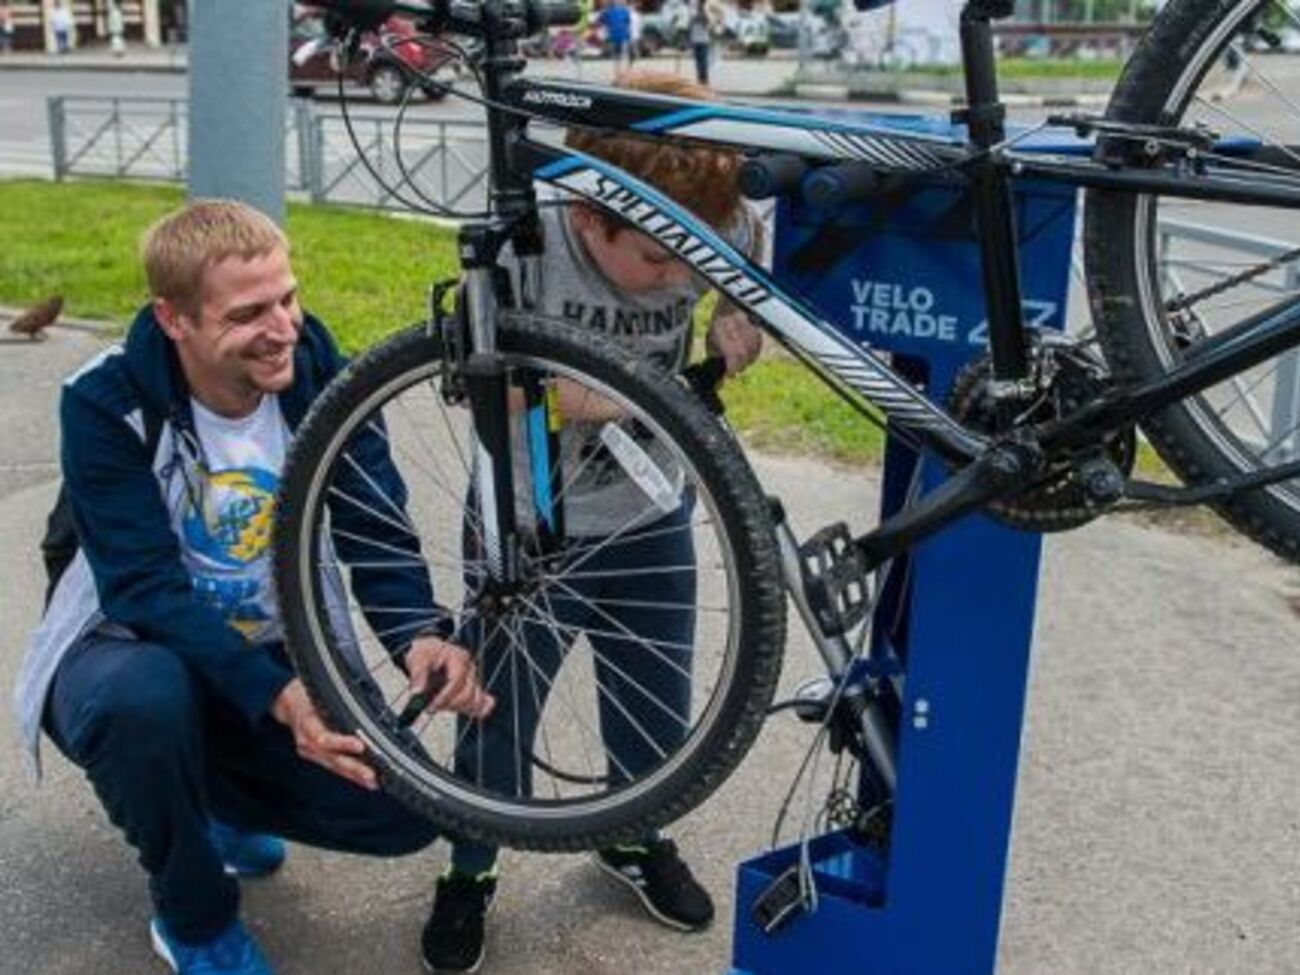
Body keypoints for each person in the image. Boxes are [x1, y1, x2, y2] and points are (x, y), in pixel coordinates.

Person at [13, 200, 497, 975]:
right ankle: (193, 915)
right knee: (146, 704)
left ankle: (208, 793)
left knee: (405, 809)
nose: (282, 327)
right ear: (175, 320)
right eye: (248, 313)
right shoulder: (105, 400)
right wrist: (281, 700)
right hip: (121, 648)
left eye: (287, 297)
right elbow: (143, 587)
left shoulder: (316, 371)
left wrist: (418, 631)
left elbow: (374, 517)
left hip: (275, 643)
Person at [422, 70, 765, 974]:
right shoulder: (525, 238)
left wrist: (735, 312)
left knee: (656, 713)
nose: (676, 276)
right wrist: (598, 396)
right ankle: (471, 866)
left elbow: (749, 253)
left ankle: (632, 836)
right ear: (589, 217)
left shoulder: (709, 221)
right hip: (530, 522)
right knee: (497, 709)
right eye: (655, 261)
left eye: (692, 255)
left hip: (650, 511)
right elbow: (481, 380)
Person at [598, 0, 632, 67]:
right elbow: (627, 21)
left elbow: (601, 21)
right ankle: (624, 61)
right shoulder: (624, 10)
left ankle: (617, 61)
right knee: (621, 49)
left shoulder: (607, 12)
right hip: (623, 34)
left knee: (616, 49)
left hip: (613, 34)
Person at [688, 0, 713, 84]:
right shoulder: (693, 6)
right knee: (698, 62)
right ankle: (700, 80)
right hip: (694, 38)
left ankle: (704, 80)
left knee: (703, 62)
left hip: (704, 39)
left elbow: (707, 22)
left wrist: (702, 15)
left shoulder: (707, 8)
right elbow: (691, 19)